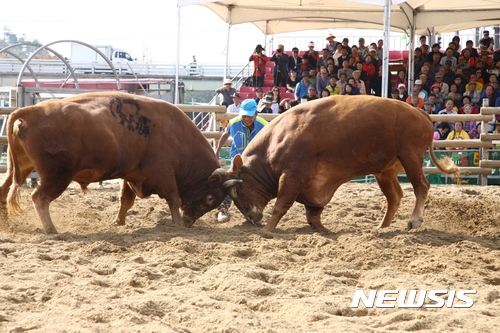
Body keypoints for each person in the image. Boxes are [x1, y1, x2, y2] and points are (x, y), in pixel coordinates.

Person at [215, 99, 268, 222]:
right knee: (229, 183)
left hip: (256, 162)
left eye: (249, 116)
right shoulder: (233, 122)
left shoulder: (265, 125)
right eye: (244, 115)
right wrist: (217, 151)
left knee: (253, 187)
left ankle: (250, 212)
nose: (246, 119)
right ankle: (222, 209)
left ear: (256, 114)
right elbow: (226, 134)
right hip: (237, 159)